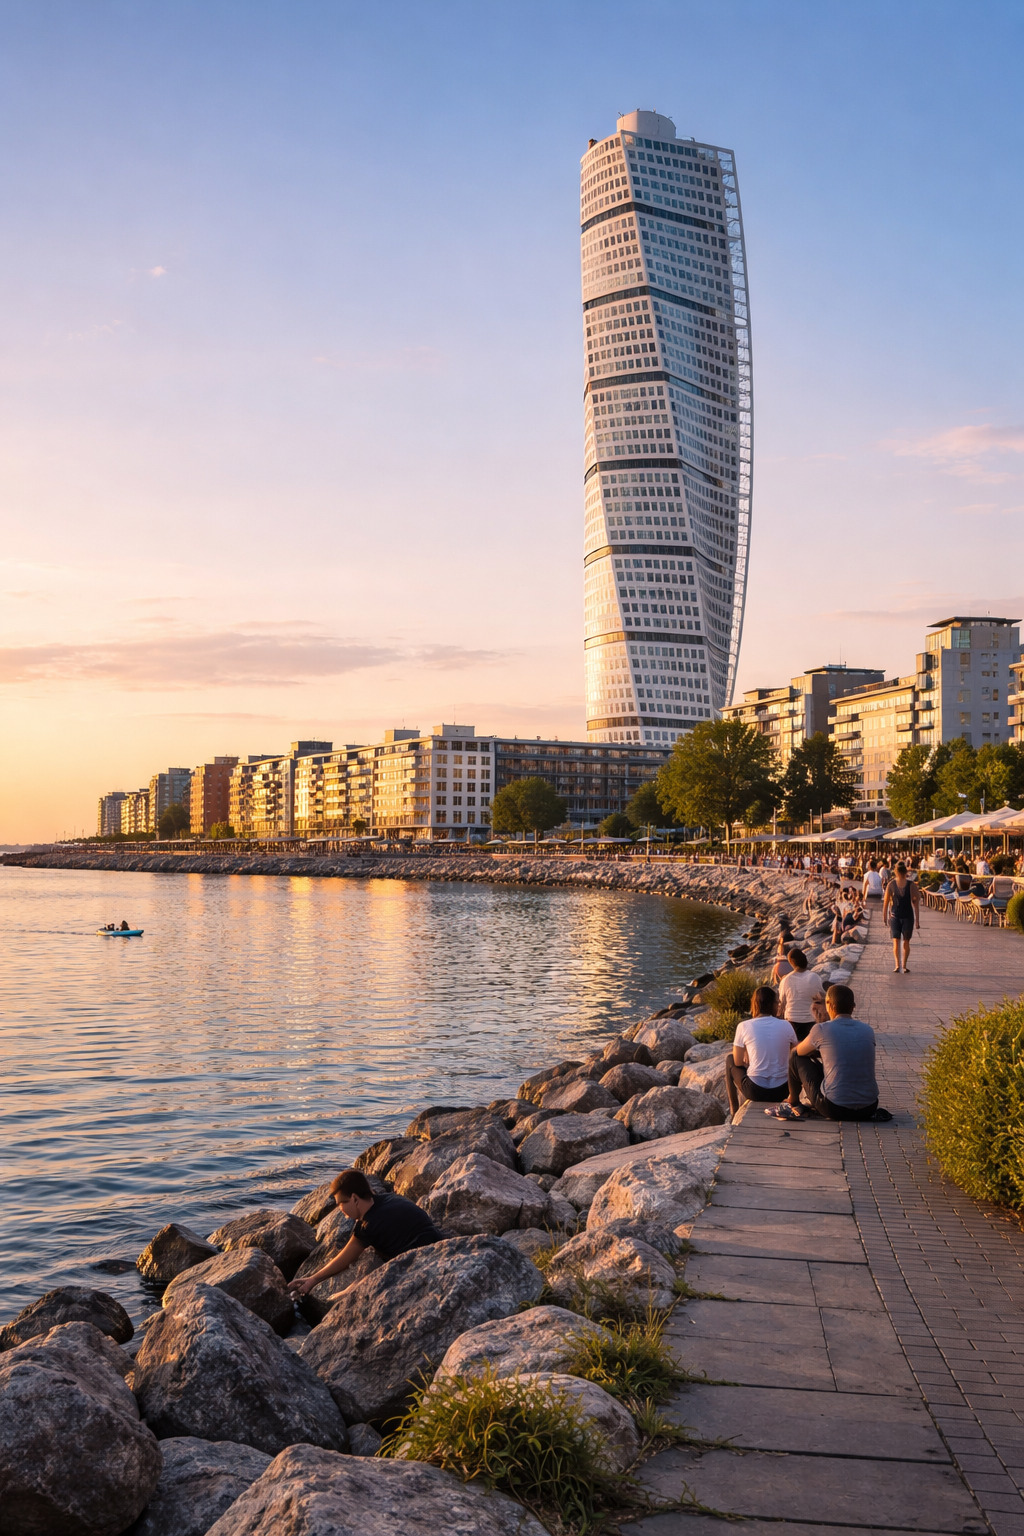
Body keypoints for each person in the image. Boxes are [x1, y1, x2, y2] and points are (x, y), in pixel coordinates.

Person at [288, 1169, 443, 1297]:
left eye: (341, 1203)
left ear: (355, 1198)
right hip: (439, 1243)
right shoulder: (388, 1198)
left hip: (423, 1261)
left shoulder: (370, 1225)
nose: (340, 1210)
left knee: (348, 1293)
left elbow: (346, 1257)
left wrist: (313, 1279)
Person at [767, 983, 890, 1122]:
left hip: (835, 1108)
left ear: (829, 1005)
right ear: (853, 1007)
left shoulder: (822, 1029)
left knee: (795, 1056)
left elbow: (799, 1051)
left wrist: (817, 1036)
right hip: (869, 1107)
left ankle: (792, 1101)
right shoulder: (868, 1030)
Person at [725, 986, 796, 1115]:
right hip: (782, 1090)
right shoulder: (786, 1025)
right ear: (774, 1005)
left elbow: (738, 1062)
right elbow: (795, 1052)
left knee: (730, 1060)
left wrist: (749, 1055)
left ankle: (734, 1110)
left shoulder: (744, 1026)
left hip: (755, 1091)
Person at [776, 948, 826, 1042]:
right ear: (805, 960)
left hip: (791, 1023)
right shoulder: (814, 977)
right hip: (810, 1023)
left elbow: (782, 1004)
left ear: (791, 963)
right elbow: (823, 999)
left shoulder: (786, 980)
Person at [882, 861, 921, 974]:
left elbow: (885, 903)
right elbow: (916, 904)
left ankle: (899, 965)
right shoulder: (910, 885)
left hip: (896, 916)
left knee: (897, 941)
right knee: (904, 942)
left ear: (895, 871)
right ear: (905, 872)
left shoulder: (894, 884)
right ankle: (902, 965)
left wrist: (884, 917)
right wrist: (917, 920)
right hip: (906, 916)